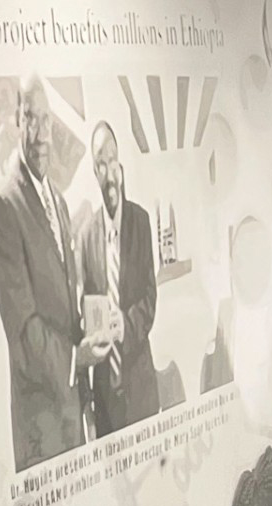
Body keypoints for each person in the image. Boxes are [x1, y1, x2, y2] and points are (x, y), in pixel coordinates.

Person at [0, 74, 111, 469]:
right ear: (17, 122)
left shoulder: (57, 202)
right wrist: (76, 359)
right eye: (32, 119)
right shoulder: (5, 205)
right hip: (39, 427)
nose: (43, 134)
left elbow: (65, 305)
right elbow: (22, 329)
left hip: (70, 414)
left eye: (47, 120)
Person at [77, 120, 159, 437]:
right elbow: (82, 320)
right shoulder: (86, 237)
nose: (109, 171)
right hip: (106, 402)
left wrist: (126, 324)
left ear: (120, 165)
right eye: (101, 162)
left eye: (112, 160)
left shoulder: (141, 222)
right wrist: (87, 403)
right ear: (95, 173)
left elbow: (150, 299)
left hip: (141, 392)